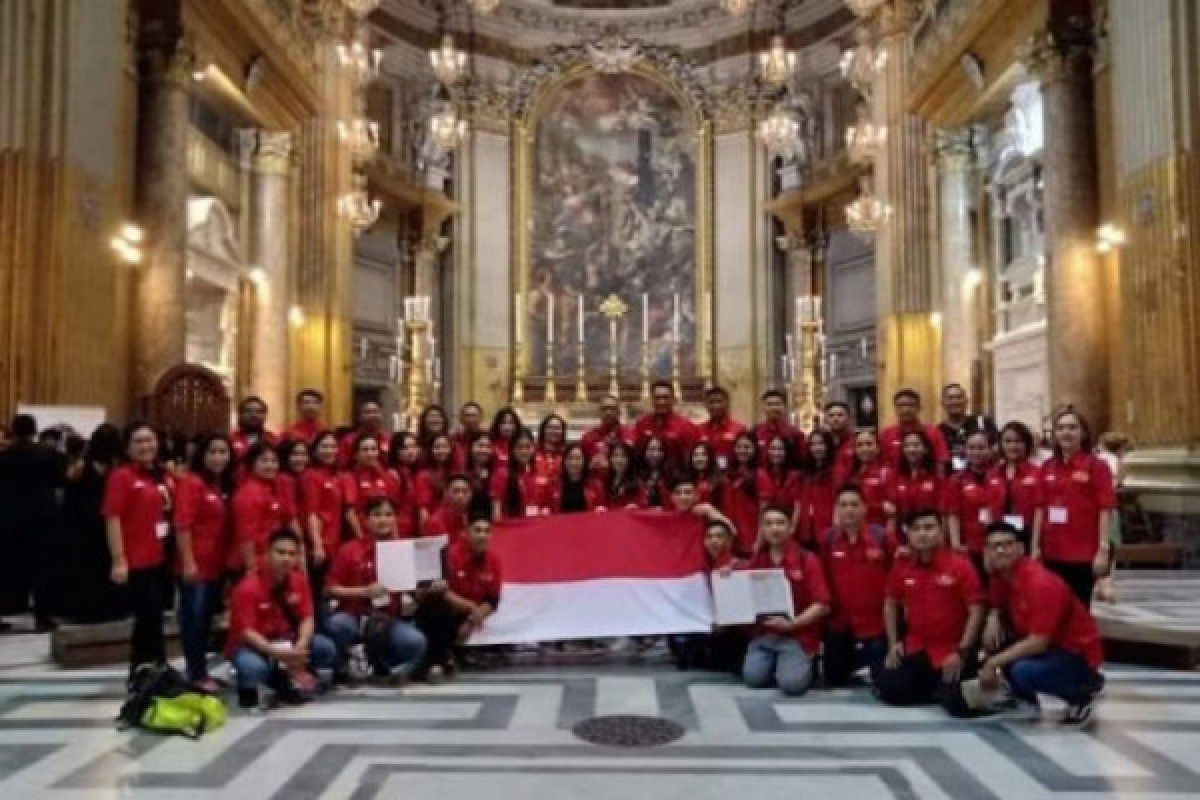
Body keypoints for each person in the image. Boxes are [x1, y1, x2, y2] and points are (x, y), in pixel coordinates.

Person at [979, 521, 1105, 726]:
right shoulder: (1000, 575)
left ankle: (1081, 693)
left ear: (1021, 548)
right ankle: (1023, 698)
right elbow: (996, 603)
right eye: (994, 546)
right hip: (1041, 642)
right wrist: (992, 617)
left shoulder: (1040, 583)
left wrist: (992, 662)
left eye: (1007, 544)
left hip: (1073, 653)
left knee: (1023, 670)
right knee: (995, 642)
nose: (1000, 551)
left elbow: (1038, 642)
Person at [875, 508, 985, 712]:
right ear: (908, 534)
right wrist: (894, 643)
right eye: (916, 529)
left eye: (929, 527)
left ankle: (946, 689)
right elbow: (890, 603)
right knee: (889, 688)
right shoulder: (902, 566)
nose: (923, 534)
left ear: (941, 531)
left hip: (952, 649)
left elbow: (976, 610)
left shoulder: (960, 566)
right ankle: (936, 689)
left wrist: (961, 652)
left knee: (959, 705)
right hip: (918, 647)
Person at [227, 529, 337, 708]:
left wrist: (301, 645)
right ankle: (251, 677)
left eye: (292, 554)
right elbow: (247, 632)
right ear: (268, 553)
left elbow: (307, 618)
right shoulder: (247, 588)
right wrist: (275, 653)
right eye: (281, 553)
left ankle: (291, 674)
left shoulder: (300, 581)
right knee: (254, 669)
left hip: (289, 640)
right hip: (254, 646)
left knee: (325, 648)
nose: (286, 559)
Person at [325, 498, 427, 684]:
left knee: (416, 641)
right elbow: (331, 589)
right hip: (353, 616)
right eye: (377, 515)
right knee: (335, 624)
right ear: (366, 520)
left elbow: (416, 595)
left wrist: (427, 590)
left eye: (388, 515)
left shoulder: (403, 551)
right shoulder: (349, 550)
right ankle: (348, 663)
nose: (383, 520)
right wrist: (363, 592)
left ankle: (384, 665)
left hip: (387, 620)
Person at [103, 421, 173, 679]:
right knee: (146, 620)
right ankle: (143, 672)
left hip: (161, 556)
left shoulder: (161, 474)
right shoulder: (122, 476)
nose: (145, 446)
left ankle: (158, 669)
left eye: (150, 440)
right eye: (139, 441)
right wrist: (119, 560)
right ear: (128, 447)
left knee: (156, 619)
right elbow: (112, 518)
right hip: (137, 559)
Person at [741, 505, 830, 696]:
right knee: (753, 679)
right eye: (769, 524)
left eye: (780, 523)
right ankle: (776, 663)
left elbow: (822, 605)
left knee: (792, 686)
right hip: (765, 634)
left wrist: (793, 624)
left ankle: (808, 662)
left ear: (791, 527)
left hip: (798, 635)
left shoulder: (807, 559)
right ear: (762, 529)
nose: (775, 529)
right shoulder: (758, 560)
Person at [1032, 409, 1115, 606]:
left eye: (1072, 428)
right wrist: (1035, 547)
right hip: (1051, 551)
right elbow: (1040, 509)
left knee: (1078, 608)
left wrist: (1103, 550)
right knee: (1052, 607)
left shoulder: (1097, 466)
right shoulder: (1047, 467)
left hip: (1082, 553)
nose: (1066, 433)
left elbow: (1105, 509)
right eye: (1060, 428)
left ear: (1083, 433)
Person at [819, 486, 896, 687]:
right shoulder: (828, 539)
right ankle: (853, 663)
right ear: (836, 509)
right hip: (840, 622)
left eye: (854, 505)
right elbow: (824, 576)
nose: (849, 510)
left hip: (876, 624)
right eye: (843, 505)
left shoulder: (881, 537)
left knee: (884, 682)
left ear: (865, 508)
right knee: (833, 680)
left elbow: (896, 573)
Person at [173, 433, 233, 691]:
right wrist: (188, 562)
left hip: (215, 565)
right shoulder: (192, 483)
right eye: (213, 452)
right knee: (193, 620)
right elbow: (182, 525)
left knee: (206, 620)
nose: (218, 458)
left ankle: (201, 670)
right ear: (202, 455)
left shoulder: (219, 485)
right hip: (195, 564)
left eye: (223, 452)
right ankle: (195, 673)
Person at [413, 512, 502, 682]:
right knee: (435, 610)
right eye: (477, 530)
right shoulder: (450, 556)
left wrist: (470, 620)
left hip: (467, 616)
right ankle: (438, 661)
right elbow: (440, 591)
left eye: (487, 531)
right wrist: (470, 607)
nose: (482, 535)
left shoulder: (494, 561)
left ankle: (450, 655)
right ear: (466, 533)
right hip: (443, 610)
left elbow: (492, 600)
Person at [0, 413, 65, 630]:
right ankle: (42, 617)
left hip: (10, 517)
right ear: (35, 430)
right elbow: (60, 480)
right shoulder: (50, 455)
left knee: (8, 567)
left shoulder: (4, 456)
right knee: (43, 568)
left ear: (13, 431)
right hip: (43, 517)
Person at [60, 423, 127, 623]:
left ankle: (86, 608)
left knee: (87, 567)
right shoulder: (117, 467)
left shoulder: (82, 465)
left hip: (84, 522)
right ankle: (108, 607)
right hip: (99, 522)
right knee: (101, 565)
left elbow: (69, 497)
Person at [670, 519, 747, 673]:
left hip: (730, 628)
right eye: (710, 537)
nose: (714, 541)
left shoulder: (739, 567)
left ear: (729, 541)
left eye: (719, 536)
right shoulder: (698, 567)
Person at [301, 431, 347, 608]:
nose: (330, 451)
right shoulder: (311, 476)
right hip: (321, 544)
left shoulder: (335, 476)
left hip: (335, 542)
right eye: (325, 446)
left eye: (333, 446)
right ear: (315, 450)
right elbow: (312, 512)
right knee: (317, 592)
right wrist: (317, 544)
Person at [233, 442, 293, 573]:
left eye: (273, 461)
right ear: (252, 464)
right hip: (253, 561)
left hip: (270, 559)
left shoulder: (273, 487)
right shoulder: (248, 493)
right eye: (264, 461)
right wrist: (251, 567)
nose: (270, 465)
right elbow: (246, 536)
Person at [944, 430, 996, 577]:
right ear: (965, 450)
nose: (976, 452)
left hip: (997, 543)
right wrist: (955, 543)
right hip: (969, 545)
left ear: (990, 449)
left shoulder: (1000, 474)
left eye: (981, 448)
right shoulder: (957, 479)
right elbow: (952, 513)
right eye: (971, 448)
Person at [886, 429, 945, 540]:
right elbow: (892, 513)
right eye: (907, 446)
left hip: (929, 536)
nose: (911, 449)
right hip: (902, 536)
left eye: (916, 445)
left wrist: (941, 540)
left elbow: (942, 513)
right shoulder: (895, 477)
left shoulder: (936, 477)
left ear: (925, 449)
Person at [343, 433, 403, 540]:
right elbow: (350, 512)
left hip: (385, 537)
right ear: (356, 455)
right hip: (363, 536)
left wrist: (395, 539)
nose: (370, 453)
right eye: (365, 450)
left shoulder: (388, 476)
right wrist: (361, 539)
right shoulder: (349, 477)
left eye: (373, 449)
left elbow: (392, 512)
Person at [987, 421, 1042, 536]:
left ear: (1027, 444)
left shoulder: (1037, 473)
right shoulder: (992, 473)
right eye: (1008, 441)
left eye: (1018, 441)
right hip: (997, 535)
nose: (1013, 446)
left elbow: (1039, 511)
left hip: (1027, 534)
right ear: (1001, 444)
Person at [633, 381, 698, 470]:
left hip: (676, 478)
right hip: (646, 479)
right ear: (651, 399)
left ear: (673, 399)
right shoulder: (641, 425)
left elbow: (691, 458)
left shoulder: (686, 426)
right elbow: (636, 455)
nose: (661, 402)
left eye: (666, 398)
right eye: (657, 398)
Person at [879, 389, 950, 471]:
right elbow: (882, 464)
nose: (906, 409)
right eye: (901, 405)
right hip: (894, 482)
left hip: (927, 481)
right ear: (895, 408)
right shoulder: (886, 435)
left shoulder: (933, 432)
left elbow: (941, 462)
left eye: (911, 405)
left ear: (919, 407)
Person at [936, 384, 998, 471]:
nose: (955, 401)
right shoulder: (938, 431)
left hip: (983, 478)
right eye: (950, 398)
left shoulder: (983, 423)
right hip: (950, 480)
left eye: (959, 397)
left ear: (966, 400)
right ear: (942, 403)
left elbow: (997, 450)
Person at [718, 433, 760, 555]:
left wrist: (759, 539)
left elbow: (764, 512)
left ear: (754, 449)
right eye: (739, 447)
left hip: (750, 537)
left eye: (747, 447)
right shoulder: (727, 474)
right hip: (729, 535)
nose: (742, 450)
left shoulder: (760, 475)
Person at [491, 429, 546, 519]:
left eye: (528, 447)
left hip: (537, 524)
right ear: (512, 449)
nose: (524, 451)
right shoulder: (501, 474)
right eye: (520, 447)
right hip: (512, 527)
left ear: (534, 448)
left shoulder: (539, 472)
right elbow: (496, 514)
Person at [797, 429, 837, 549]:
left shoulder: (835, 472)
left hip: (827, 529)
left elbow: (838, 502)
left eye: (821, 444)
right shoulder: (805, 473)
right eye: (813, 444)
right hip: (806, 530)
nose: (817, 448)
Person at [845, 429, 892, 527]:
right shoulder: (851, 475)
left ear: (877, 448)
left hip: (878, 530)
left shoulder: (886, 472)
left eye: (869, 444)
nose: (864, 448)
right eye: (860, 445)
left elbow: (891, 511)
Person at [696, 386, 747, 468]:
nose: (716, 406)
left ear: (727, 403)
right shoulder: (699, 430)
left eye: (719, 401)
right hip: (707, 476)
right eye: (711, 402)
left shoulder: (739, 429)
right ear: (706, 405)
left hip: (732, 475)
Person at [415, 433, 455, 528]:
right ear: (431, 450)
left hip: (452, 524)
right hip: (434, 525)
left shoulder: (455, 473)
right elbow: (423, 509)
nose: (441, 450)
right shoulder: (423, 475)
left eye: (445, 447)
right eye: (437, 447)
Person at [580, 396, 633, 468]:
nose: (608, 412)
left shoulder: (630, 434)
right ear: (600, 412)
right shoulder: (588, 437)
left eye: (612, 409)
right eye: (604, 409)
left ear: (619, 412)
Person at [548, 444, 602, 513]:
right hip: (560, 523)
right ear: (564, 461)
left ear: (584, 461)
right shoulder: (554, 483)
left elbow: (601, 508)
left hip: (587, 522)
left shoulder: (595, 484)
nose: (573, 462)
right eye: (570, 458)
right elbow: (548, 508)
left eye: (578, 458)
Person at [754, 389, 802, 467]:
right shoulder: (755, 432)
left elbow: (800, 461)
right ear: (763, 408)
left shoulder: (795, 433)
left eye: (777, 404)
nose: (774, 408)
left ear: (784, 407)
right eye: (769, 404)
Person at [338, 399, 390, 467]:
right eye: (367, 412)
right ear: (359, 417)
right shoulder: (348, 441)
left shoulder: (388, 439)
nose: (372, 415)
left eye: (376, 412)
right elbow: (341, 468)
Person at [230, 396, 278, 469]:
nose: (254, 415)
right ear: (240, 415)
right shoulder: (230, 438)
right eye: (248, 411)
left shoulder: (273, 440)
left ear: (265, 416)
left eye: (259, 412)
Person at [422, 474, 473, 542]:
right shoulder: (435, 522)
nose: (460, 496)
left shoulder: (471, 519)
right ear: (446, 493)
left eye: (465, 491)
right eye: (456, 491)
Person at [603, 441, 643, 509]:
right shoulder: (605, 480)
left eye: (623, 456)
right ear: (610, 458)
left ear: (629, 459)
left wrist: (636, 506)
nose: (619, 460)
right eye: (615, 455)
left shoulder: (637, 481)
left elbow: (643, 503)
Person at [824, 401, 857, 478]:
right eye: (831, 416)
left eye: (840, 415)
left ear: (848, 417)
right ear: (825, 419)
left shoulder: (857, 442)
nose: (835, 419)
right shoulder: (821, 443)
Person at [450, 402, 485, 470]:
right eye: (467, 415)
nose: (471, 419)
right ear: (461, 418)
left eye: (474, 415)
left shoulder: (487, 437)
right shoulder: (453, 437)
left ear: (480, 418)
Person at [535, 414, 568, 484]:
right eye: (550, 427)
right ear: (543, 430)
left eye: (557, 428)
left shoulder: (567, 454)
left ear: (563, 431)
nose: (554, 431)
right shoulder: (533, 451)